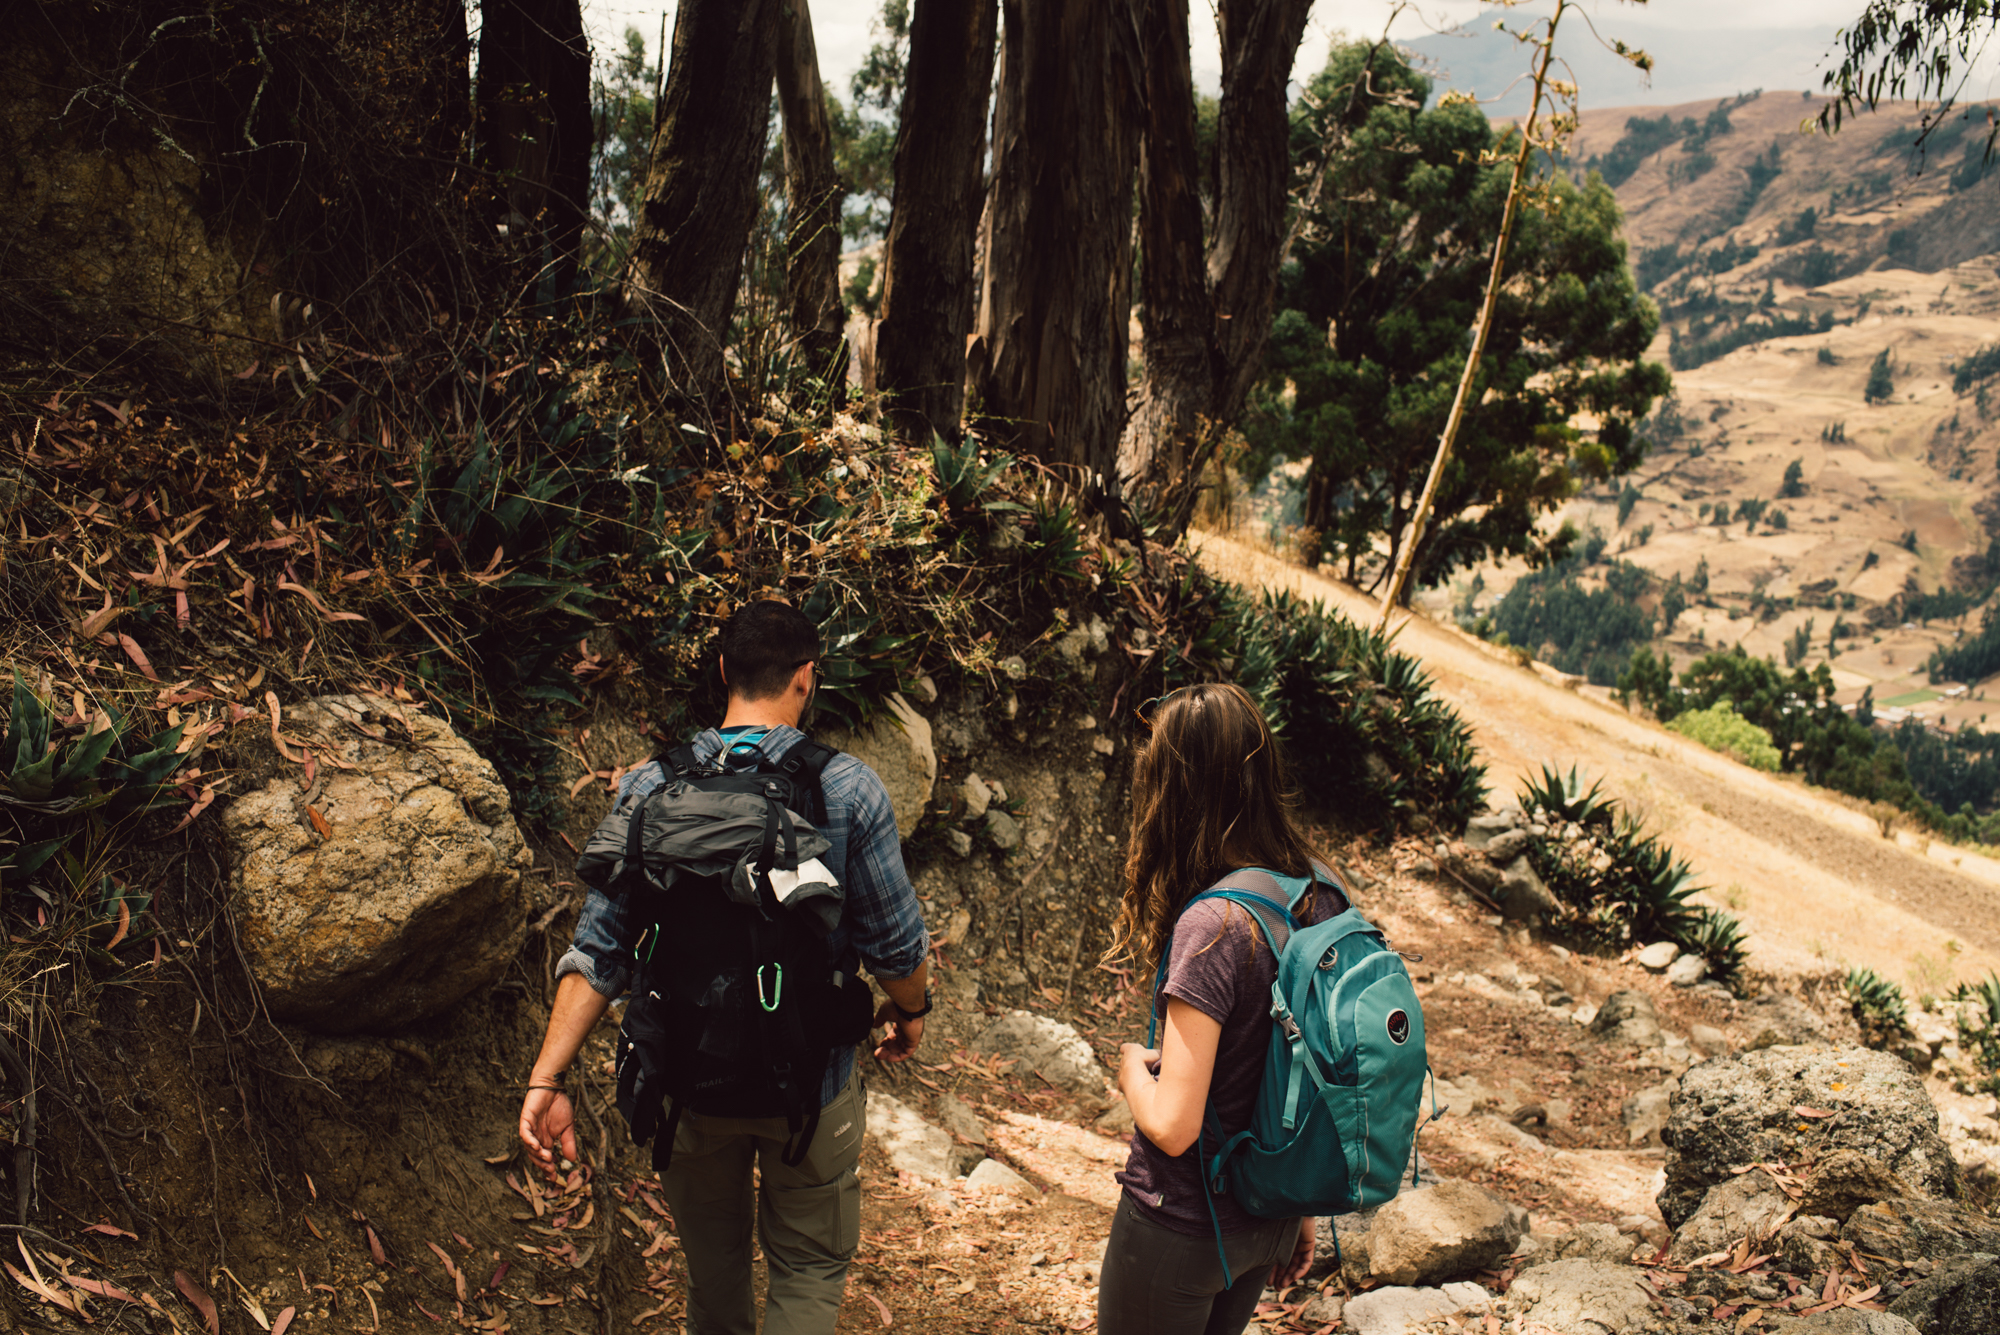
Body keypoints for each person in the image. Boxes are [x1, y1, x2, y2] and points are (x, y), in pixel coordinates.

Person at [517, 600, 931, 1335]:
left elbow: (599, 948)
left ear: (721, 673)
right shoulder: (847, 788)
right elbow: (896, 948)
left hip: (687, 1082)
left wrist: (546, 1076)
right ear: (806, 678)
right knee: (807, 1268)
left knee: (713, 1277)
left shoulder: (650, 785)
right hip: (811, 1081)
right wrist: (911, 1009)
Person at [1098, 682, 1348, 1335]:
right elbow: (1310, 1071)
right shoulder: (1323, 895)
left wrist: (1130, 1068)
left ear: (1173, 790)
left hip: (1181, 1226)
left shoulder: (1216, 924)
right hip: (1265, 1218)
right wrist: (1301, 1210)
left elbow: (1175, 1125)